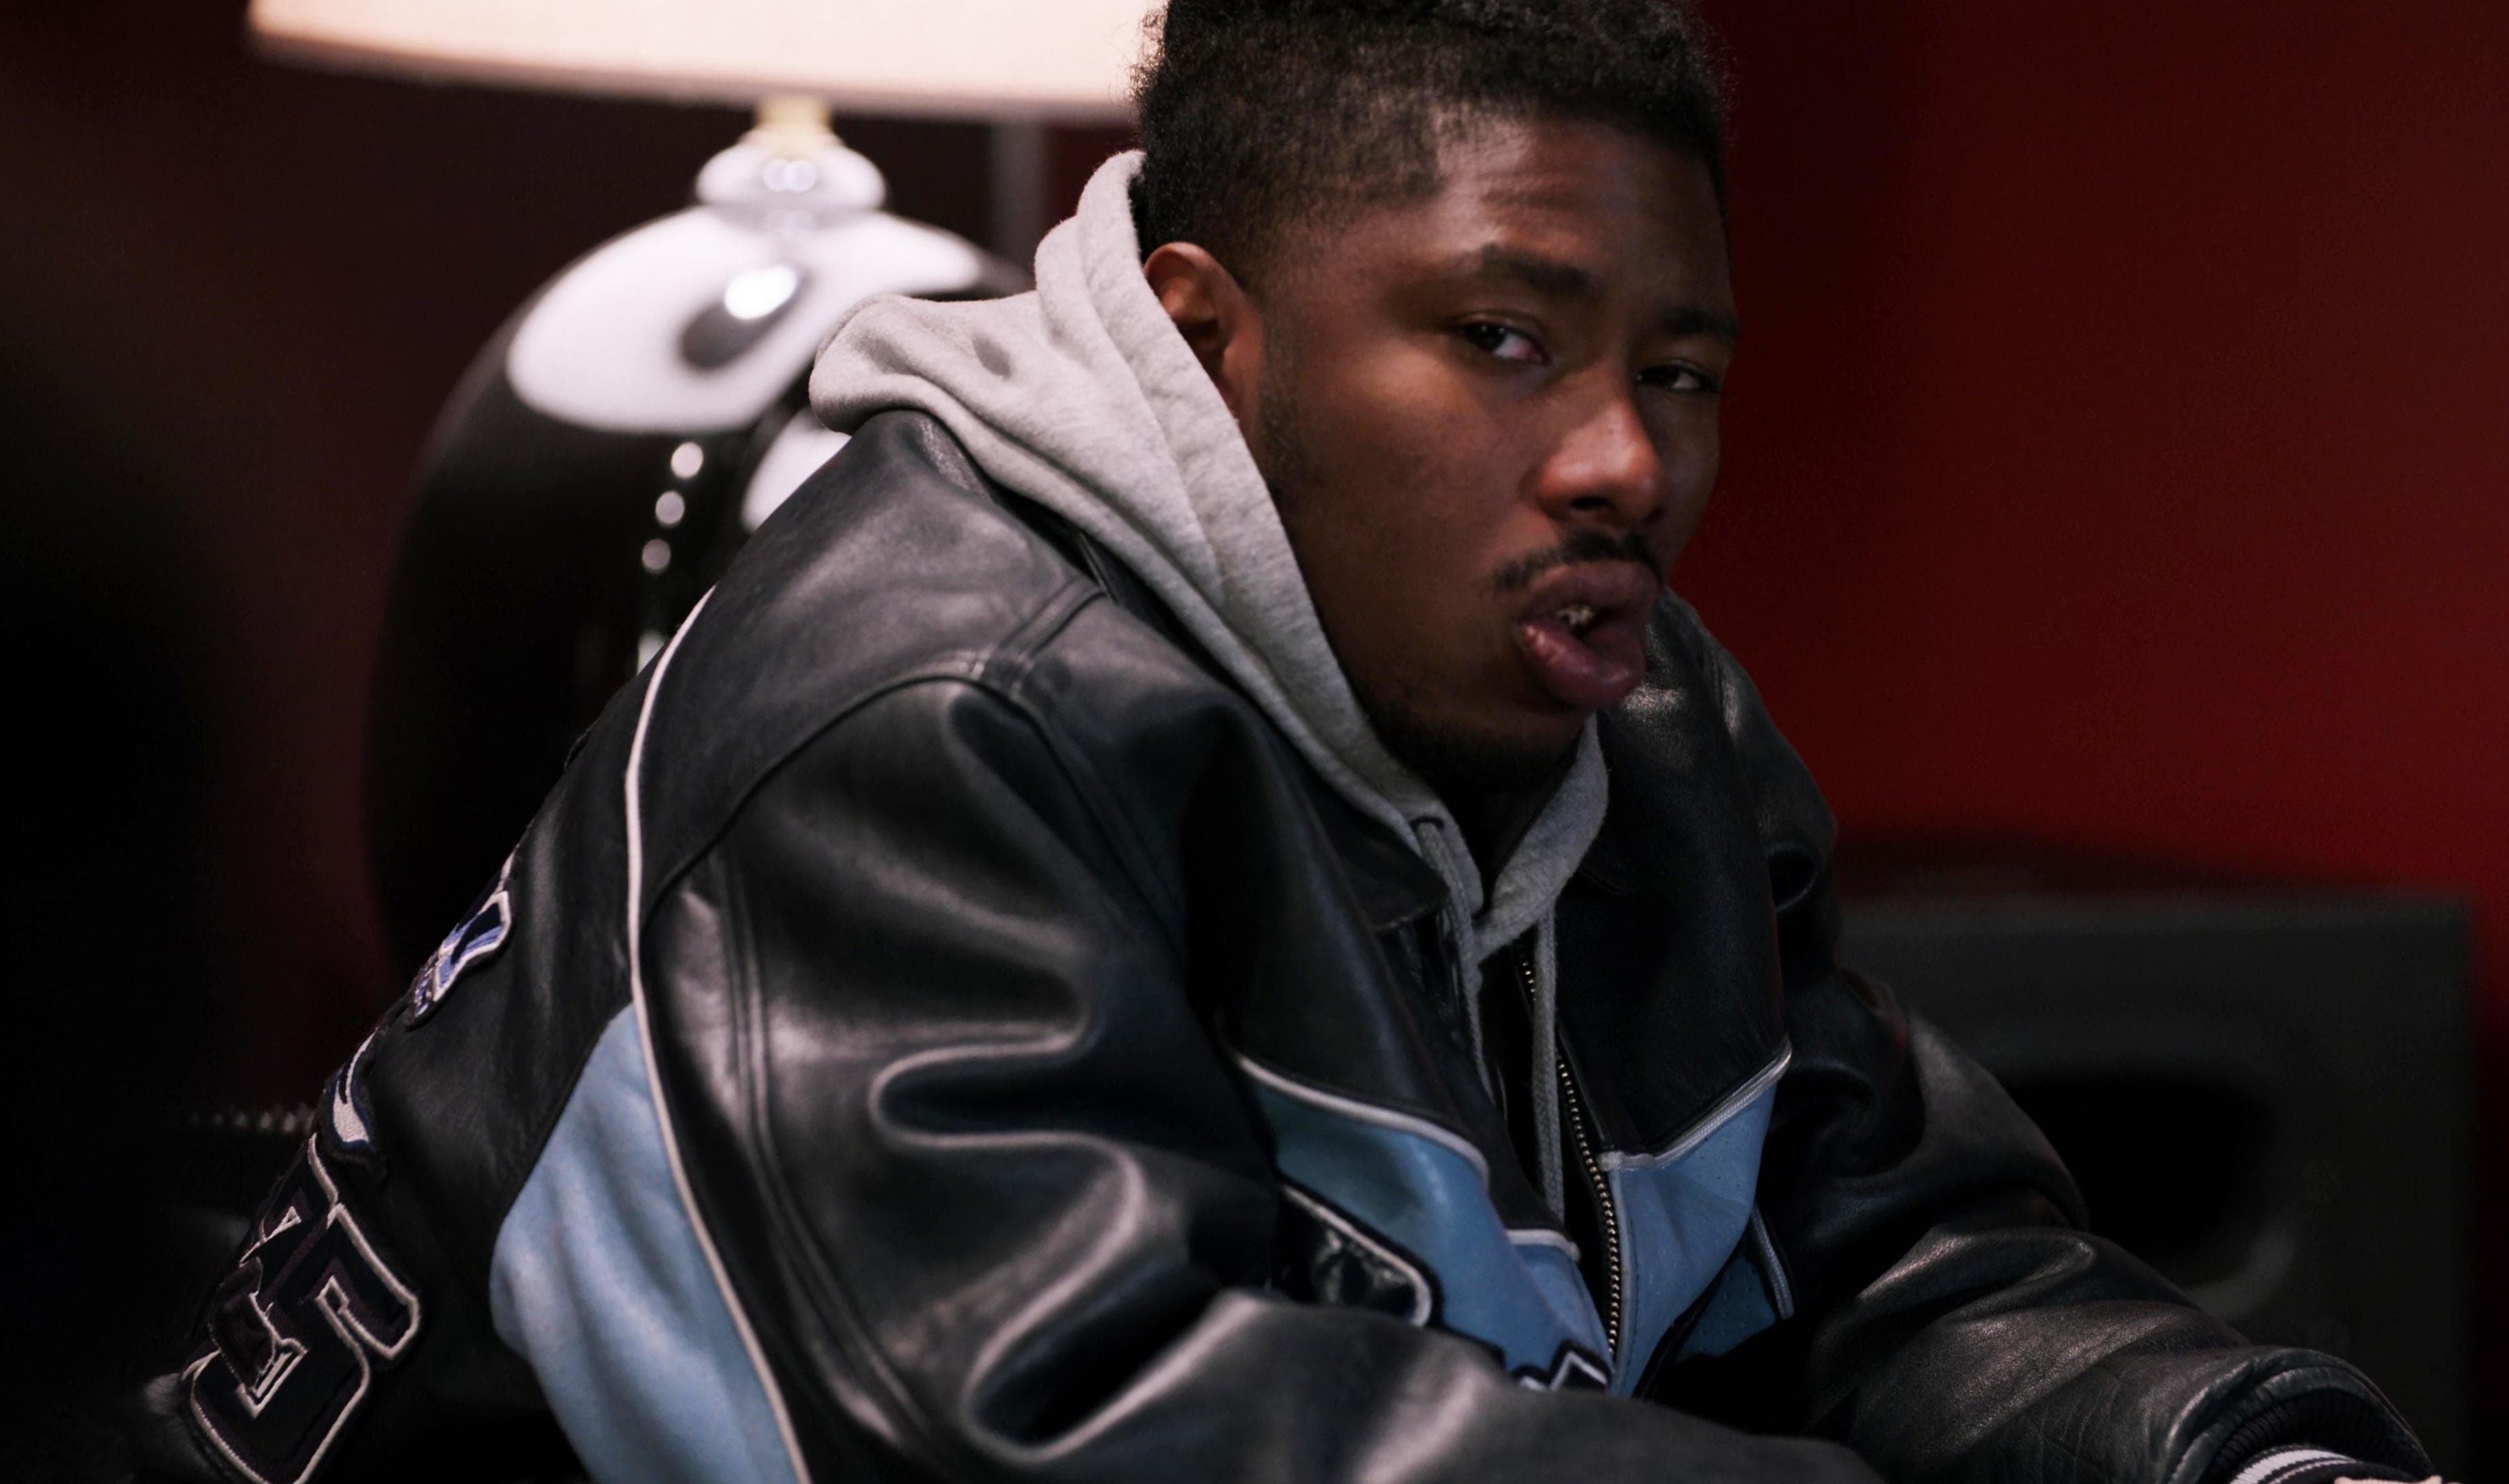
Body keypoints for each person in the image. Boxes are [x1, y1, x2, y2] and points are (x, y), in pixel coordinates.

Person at [131, 1, 2438, 1481]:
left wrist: (2237, 1458)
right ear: (1204, 333)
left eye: (1679, 371)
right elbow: (1054, 1426)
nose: (1627, 460)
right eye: (1506, 338)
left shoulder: (1644, 729)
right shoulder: (924, 718)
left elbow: (1885, 1255)